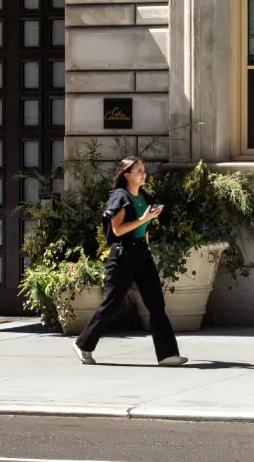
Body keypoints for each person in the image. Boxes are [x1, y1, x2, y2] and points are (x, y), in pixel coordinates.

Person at [74, 157, 186, 367]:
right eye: (138, 171)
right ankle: (83, 344)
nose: (143, 174)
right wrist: (143, 220)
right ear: (126, 175)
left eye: (144, 170)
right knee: (112, 303)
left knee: (156, 303)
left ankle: (167, 355)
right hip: (123, 254)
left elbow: (145, 228)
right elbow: (117, 230)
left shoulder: (143, 196)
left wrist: (147, 230)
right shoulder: (120, 196)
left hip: (141, 253)